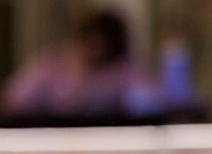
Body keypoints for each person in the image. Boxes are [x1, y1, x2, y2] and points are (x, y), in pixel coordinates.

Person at [2, 7, 163, 123]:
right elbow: (15, 99)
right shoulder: (54, 64)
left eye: (102, 42)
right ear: (80, 39)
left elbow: (149, 104)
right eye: (91, 40)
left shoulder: (126, 69)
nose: (96, 47)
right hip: (58, 143)